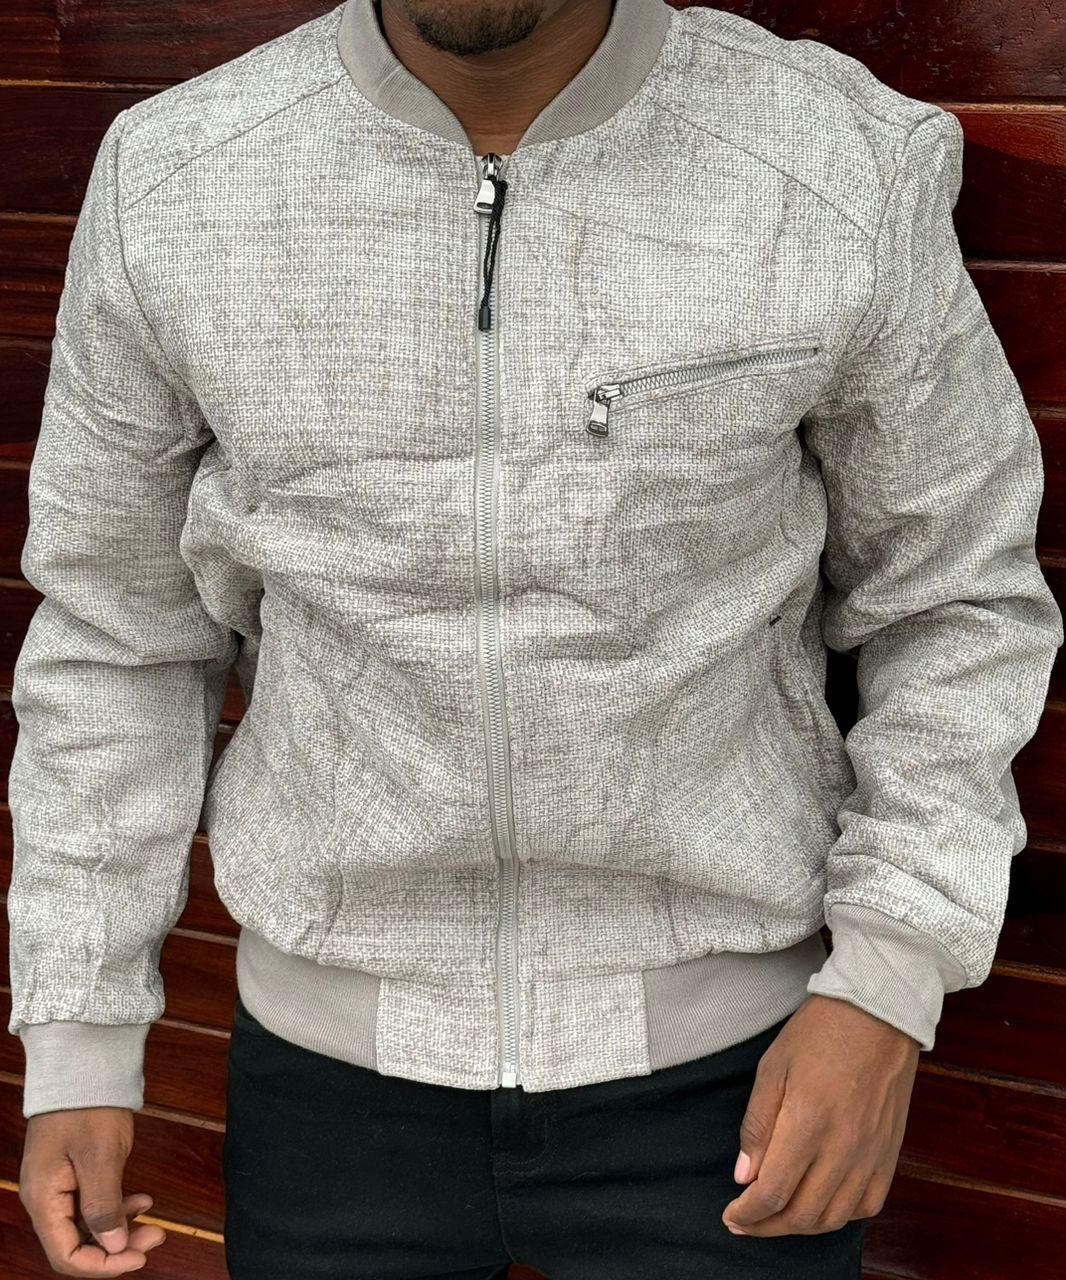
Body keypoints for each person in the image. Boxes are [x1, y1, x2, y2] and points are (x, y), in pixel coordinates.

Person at [8, 0, 1062, 1276]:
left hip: (741, 1083)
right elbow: (117, 636)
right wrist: (79, 1030)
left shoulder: (833, 163)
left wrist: (885, 986)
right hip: (331, 1098)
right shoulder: (176, 179)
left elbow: (955, 597)